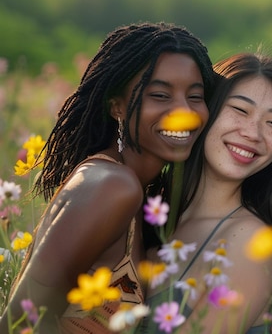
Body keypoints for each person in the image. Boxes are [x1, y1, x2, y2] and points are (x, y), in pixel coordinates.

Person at [0, 22, 216, 334]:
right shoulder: (113, 186)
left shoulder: (131, 187)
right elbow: (21, 320)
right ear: (117, 106)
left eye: (196, 97)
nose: (184, 111)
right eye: (160, 95)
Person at [138, 52, 272, 334]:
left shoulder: (251, 242)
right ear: (205, 110)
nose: (253, 133)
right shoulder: (145, 211)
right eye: (240, 109)